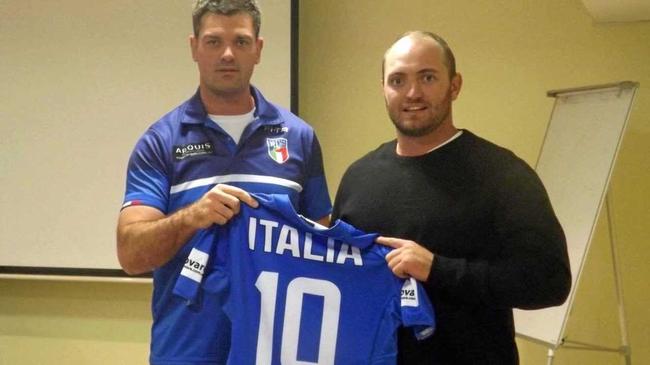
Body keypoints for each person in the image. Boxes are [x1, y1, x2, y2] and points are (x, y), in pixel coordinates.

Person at [332, 31, 571, 364]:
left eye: (427, 77)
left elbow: (549, 282)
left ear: (454, 85)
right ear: (384, 89)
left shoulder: (503, 175)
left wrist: (437, 269)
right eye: (397, 80)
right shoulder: (358, 177)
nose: (412, 92)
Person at [116, 1, 331, 364]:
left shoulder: (299, 138)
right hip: (185, 352)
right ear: (194, 47)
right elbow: (131, 255)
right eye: (214, 42)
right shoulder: (160, 141)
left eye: (241, 42)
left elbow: (321, 248)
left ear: (258, 50)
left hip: (276, 351)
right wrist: (193, 216)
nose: (228, 54)